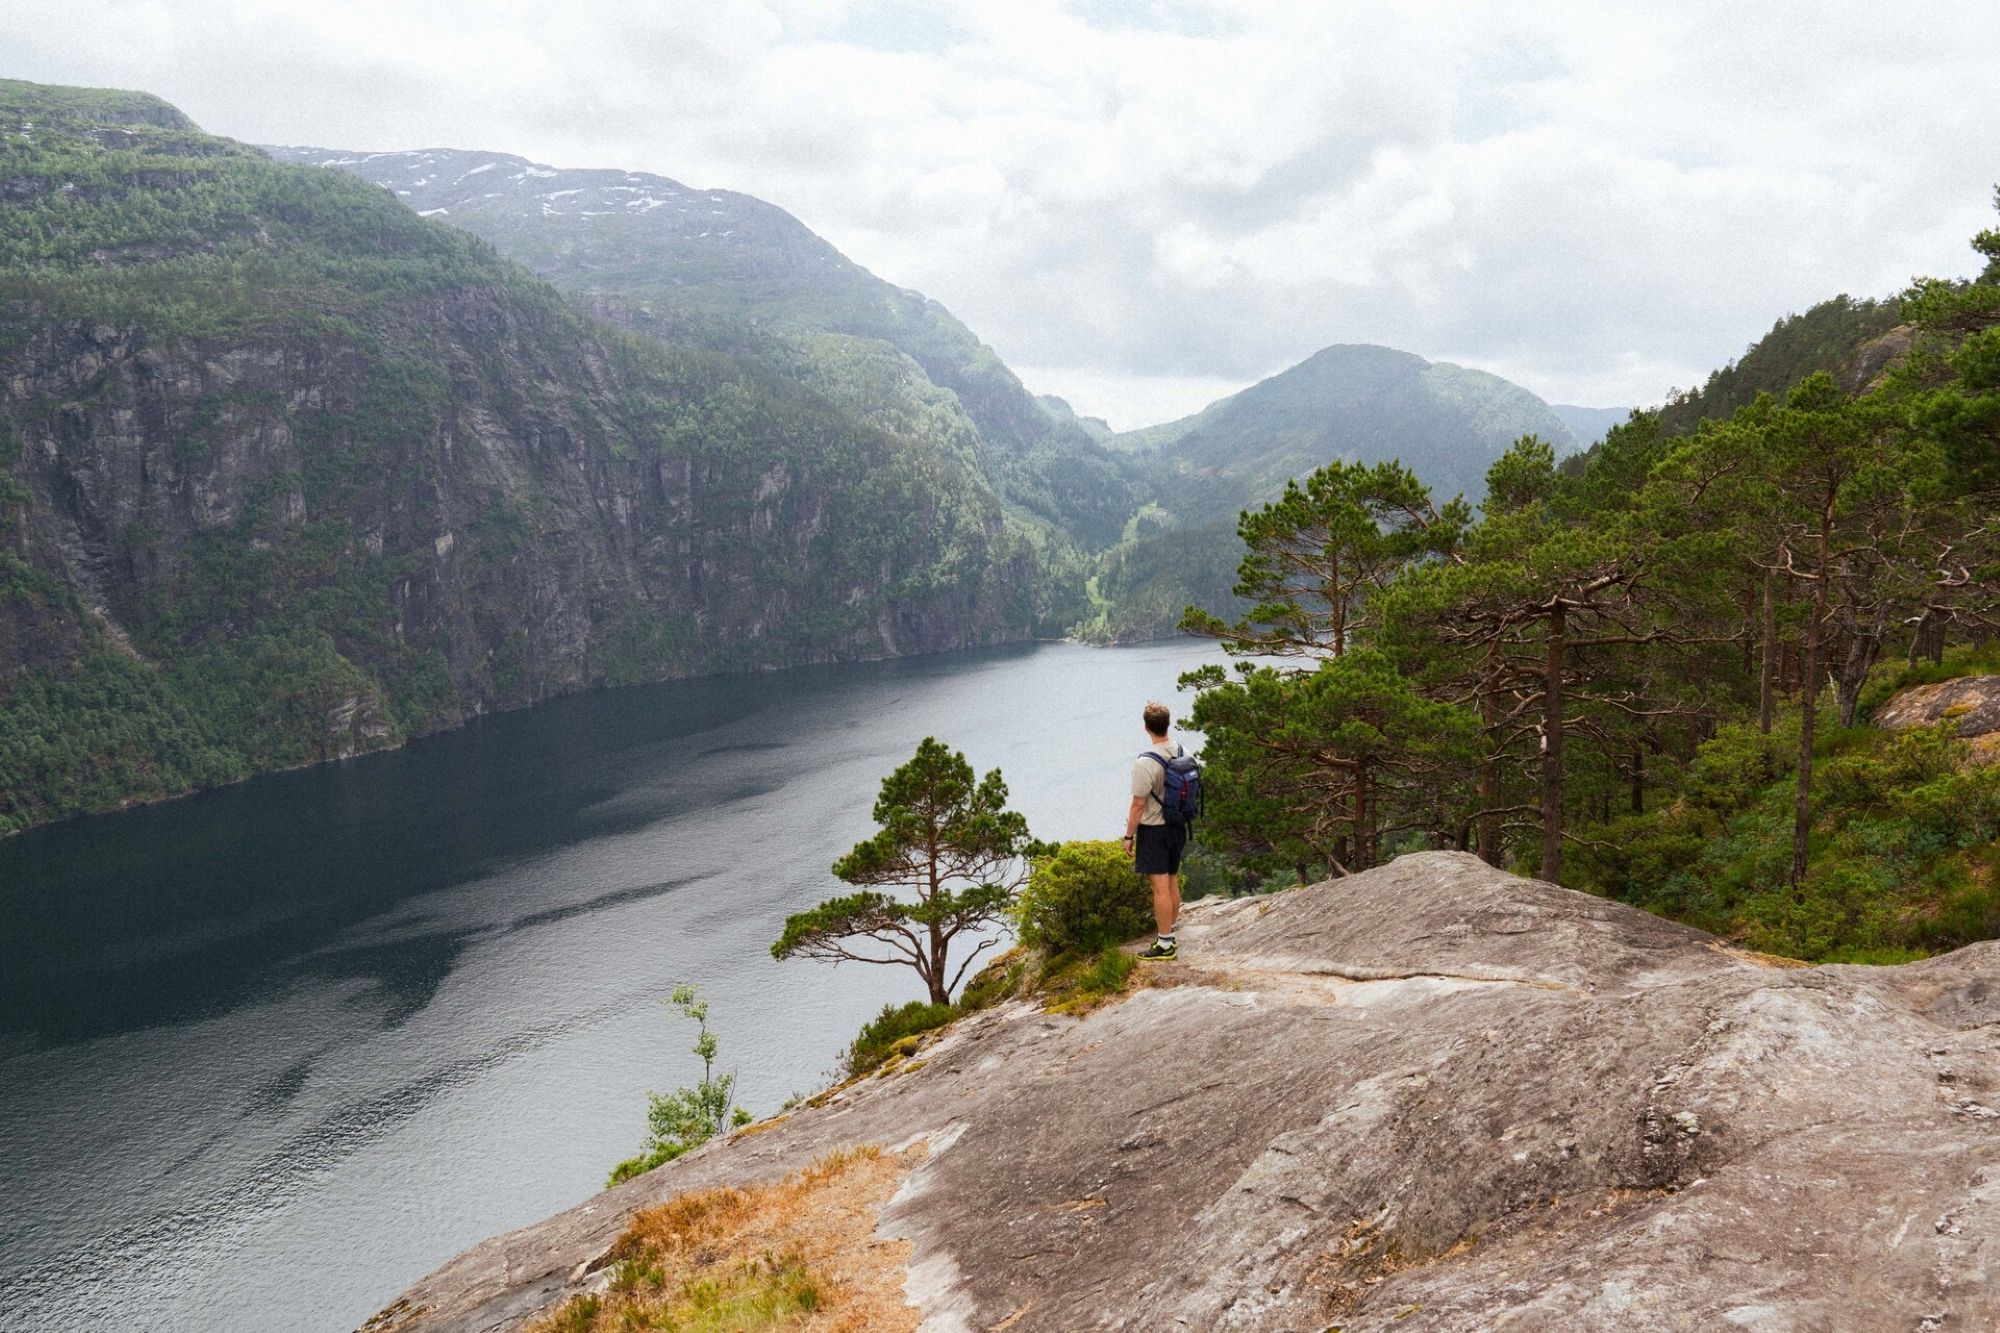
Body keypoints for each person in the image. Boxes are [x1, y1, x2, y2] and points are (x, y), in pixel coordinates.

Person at [1123, 700, 1187, 961]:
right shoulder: (1182, 750)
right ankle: (1169, 931)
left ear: (1146, 728)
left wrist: (1129, 836)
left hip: (1154, 829)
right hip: (1177, 826)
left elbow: (1138, 803)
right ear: (1167, 724)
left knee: (1159, 886)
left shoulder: (1145, 762)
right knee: (1171, 879)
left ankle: (1164, 945)